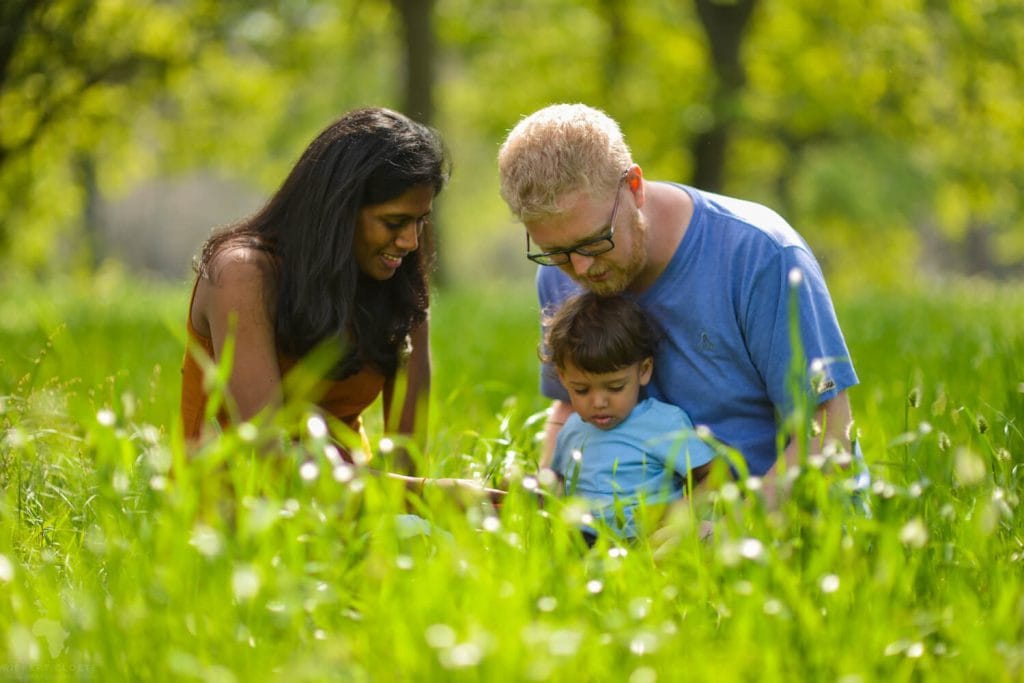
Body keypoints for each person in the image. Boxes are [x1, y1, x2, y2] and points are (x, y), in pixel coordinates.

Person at [498, 103, 863, 506]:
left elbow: (830, 431)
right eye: (556, 251)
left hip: (775, 518)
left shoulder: (760, 254)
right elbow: (570, 405)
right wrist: (545, 497)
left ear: (634, 187)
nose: (580, 268)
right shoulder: (560, 275)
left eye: (595, 241)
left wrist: (734, 527)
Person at [180, 107, 444, 476]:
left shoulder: (396, 277)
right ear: (340, 209)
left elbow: (408, 460)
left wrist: (428, 498)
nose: (411, 241)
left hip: (354, 500)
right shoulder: (242, 274)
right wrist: (428, 493)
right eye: (394, 222)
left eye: (420, 221)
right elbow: (268, 458)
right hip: (232, 501)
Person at [543, 292, 715, 540]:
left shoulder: (663, 423)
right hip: (583, 540)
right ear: (563, 378)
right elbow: (557, 484)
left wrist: (683, 512)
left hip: (650, 539)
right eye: (581, 390)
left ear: (643, 371)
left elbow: (712, 475)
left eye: (615, 387)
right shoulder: (571, 429)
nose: (599, 402)